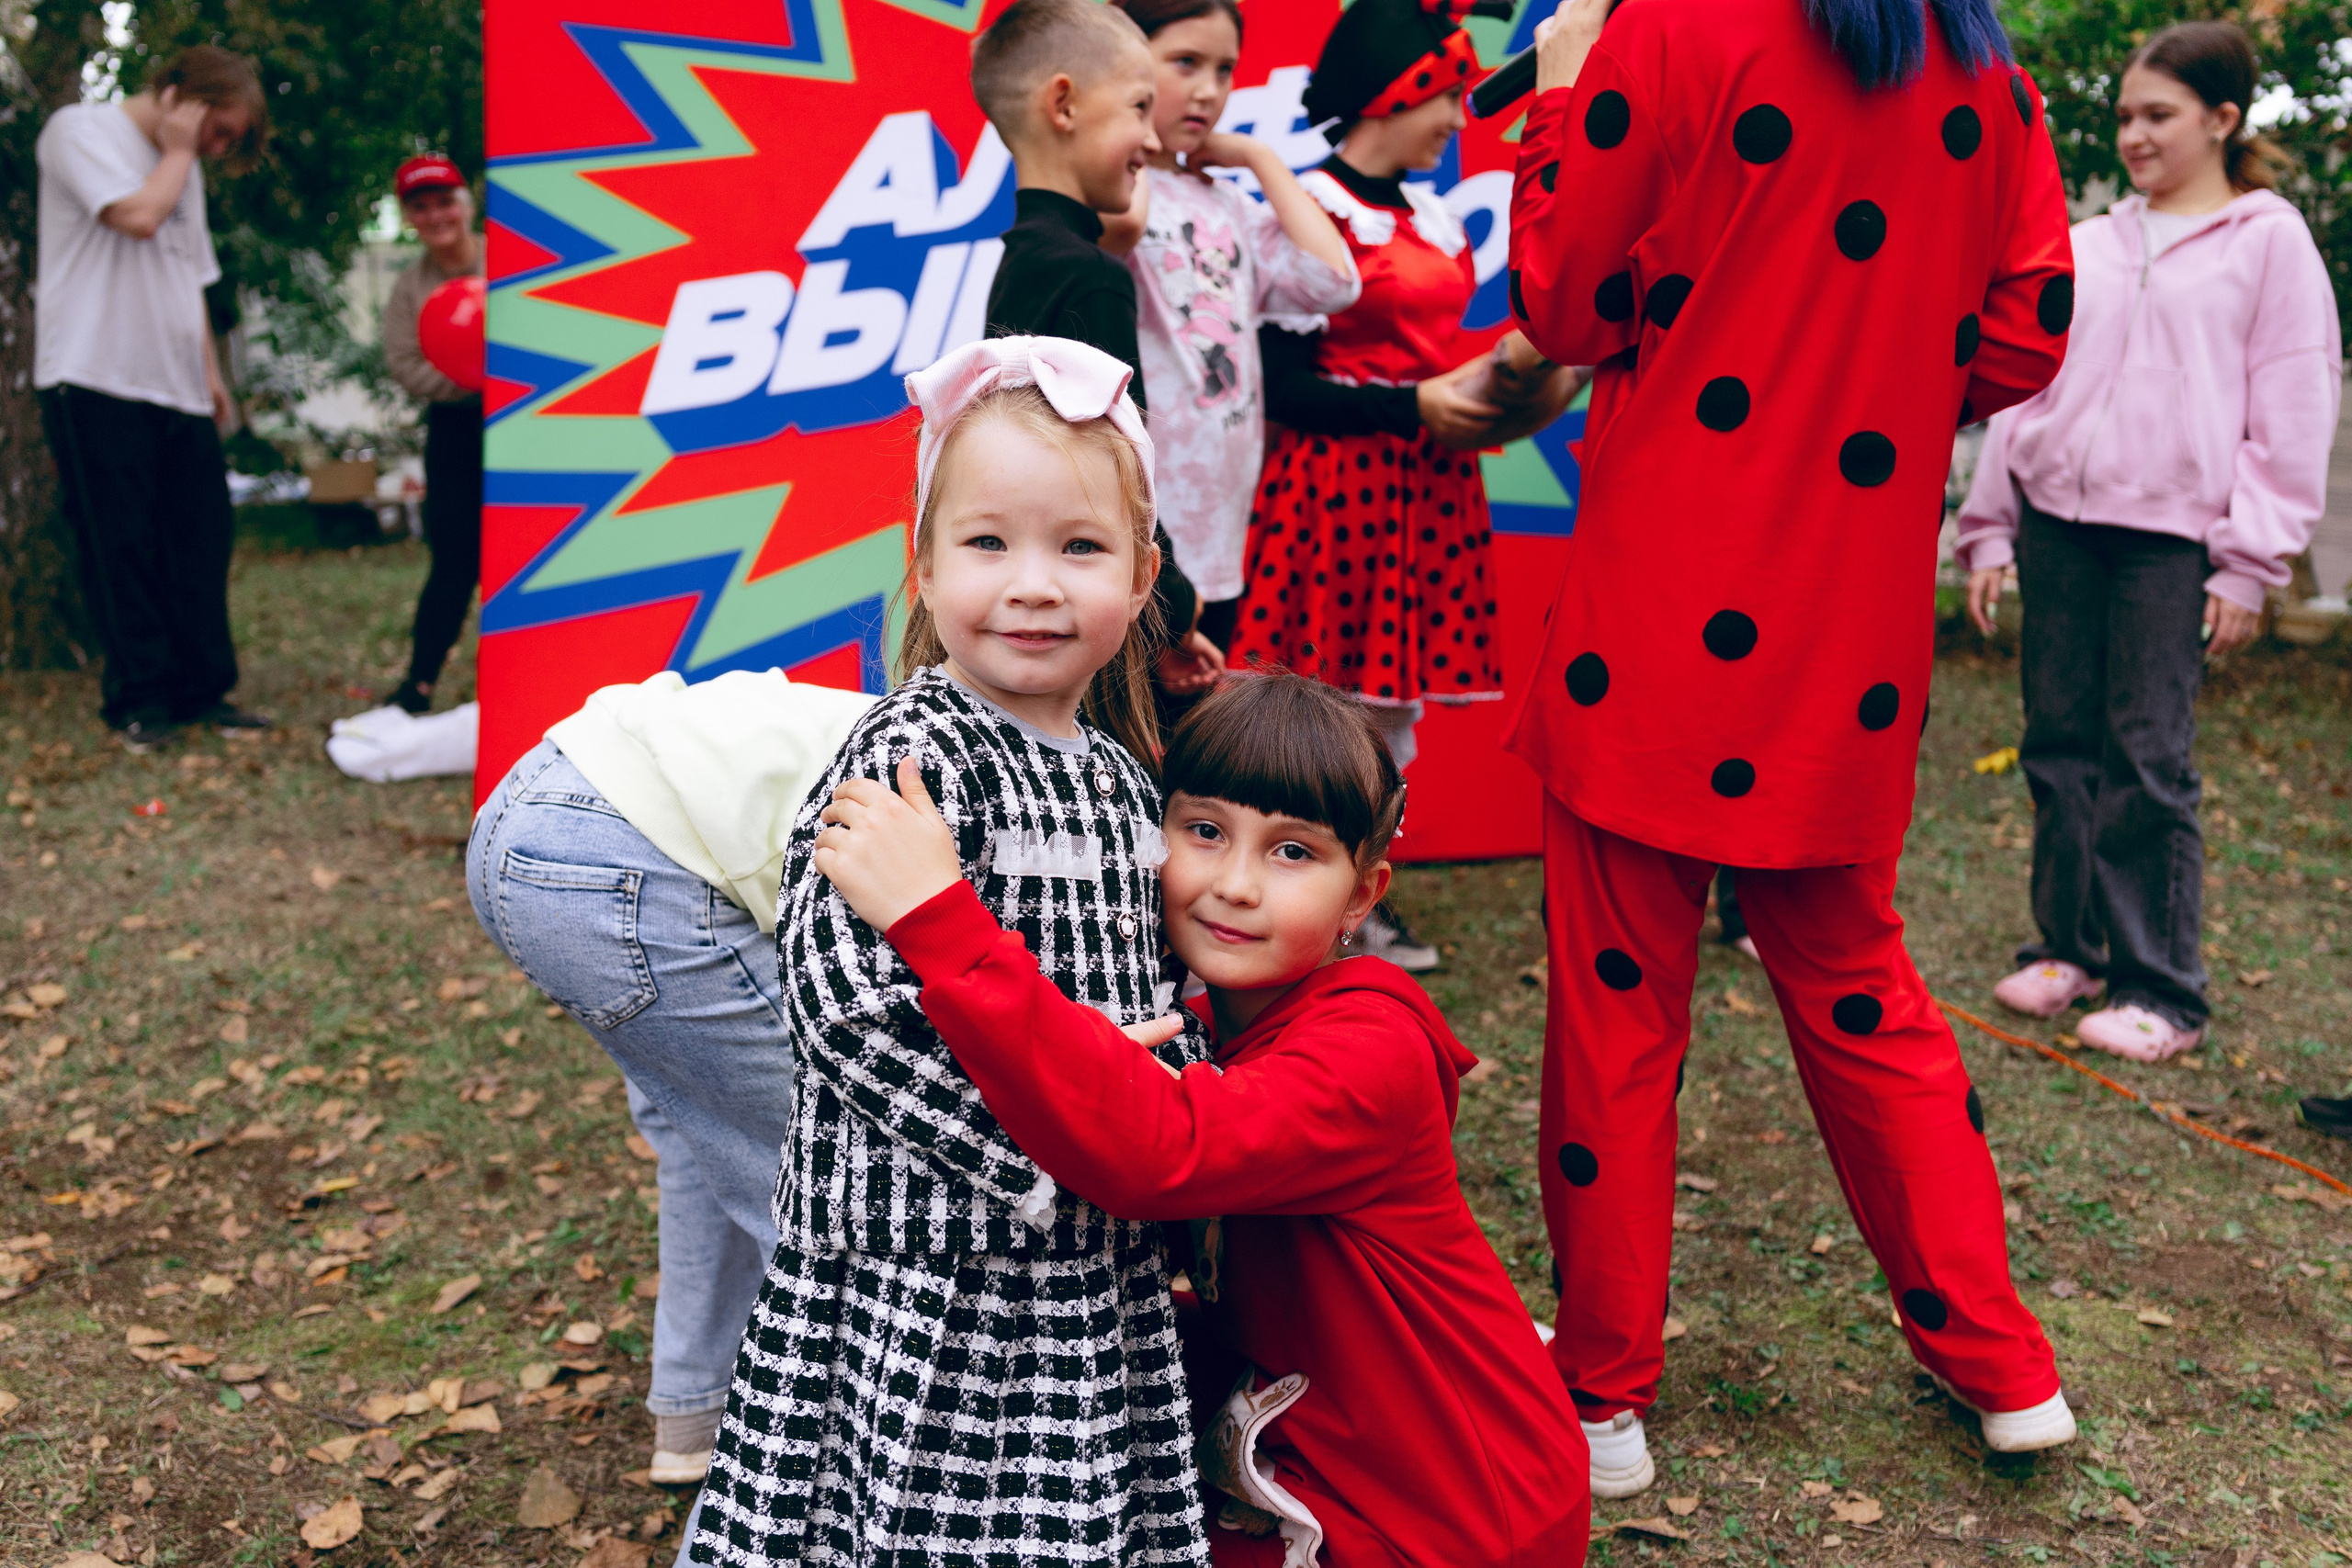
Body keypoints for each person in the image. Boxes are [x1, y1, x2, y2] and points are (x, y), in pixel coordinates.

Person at [1505, 0, 2081, 1494]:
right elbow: (2027, 326)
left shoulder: (1668, 27)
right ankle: (2004, 1367)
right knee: (1864, 996)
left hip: (1659, 595)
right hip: (1847, 617)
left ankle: (1604, 1398)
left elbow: (1561, 302)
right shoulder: (1980, 65)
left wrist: (1564, 95)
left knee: (1621, 1016)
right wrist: (1854, 386)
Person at [808, 671, 1591, 1567]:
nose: (1236, 884)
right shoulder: (1204, 1027)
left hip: (1456, 1508)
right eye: (1206, 832)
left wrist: (941, 923)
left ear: (1363, 897)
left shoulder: (1372, 1049)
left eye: (1292, 852)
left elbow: (1164, 1149)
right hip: (1327, 1447)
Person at [686, 336, 1210, 1568]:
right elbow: (845, 1001)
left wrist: (1163, 1108)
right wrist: (1042, 1129)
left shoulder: (1123, 778)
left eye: (1078, 548)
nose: (1034, 584)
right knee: (926, 1512)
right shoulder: (913, 751)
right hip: (930, 1243)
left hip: (1081, 1243)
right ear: (923, 567)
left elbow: (1158, 988)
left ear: (1140, 581)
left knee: (1064, 1501)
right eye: (989, 544)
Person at [1956, 20, 2342, 1063]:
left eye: (2156, 115)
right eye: (2123, 115)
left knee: (2148, 761)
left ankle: (2159, 990)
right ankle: (2066, 950)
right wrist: (1985, 528)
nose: (2132, 135)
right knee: (2057, 743)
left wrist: (2253, 560)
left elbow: (2292, 408)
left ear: (2221, 120)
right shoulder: (2085, 244)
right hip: (2057, 530)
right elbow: (2026, 392)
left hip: (2171, 544)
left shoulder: (2268, 243)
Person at [468, 669, 874, 1485]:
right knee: (830, 1180)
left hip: (532, 808)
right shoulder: (1021, 792)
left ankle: (698, 1415)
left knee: (710, 1127)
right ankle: (818, 1483)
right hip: (626, 857)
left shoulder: (916, 720)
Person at [974, 0, 1226, 700]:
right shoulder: (1089, 276)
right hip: (1090, 636)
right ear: (1065, 104)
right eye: (1140, 108)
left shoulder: (1028, 262)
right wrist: (1172, 605)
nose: (1151, 138)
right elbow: (1119, 477)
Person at [34, 45, 272, 750]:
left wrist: (212, 375)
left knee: (201, 538)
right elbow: (137, 216)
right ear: (177, 95)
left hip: (177, 386)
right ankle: (139, 701)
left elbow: (189, 273)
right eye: (217, 129)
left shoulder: (185, 169)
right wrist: (175, 150)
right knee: (122, 544)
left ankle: (205, 689)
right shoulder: (77, 131)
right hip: (95, 376)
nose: (216, 147)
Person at [1105, 0, 1360, 655]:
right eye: (1185, 63)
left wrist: (1255, 157)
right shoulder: (1109, 191)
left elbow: (1336, 282)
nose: (1208, 90)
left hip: (1221, 534)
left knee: (1192, 732)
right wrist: (1131, 130)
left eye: (1225, 70)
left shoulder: (1228, 205)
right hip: (1139, 524)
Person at [381, 154, 488, 716]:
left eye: (444, 201)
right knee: (453, 560)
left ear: (466, 204)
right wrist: (477, 382)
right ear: (410, 219)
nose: (436, 215)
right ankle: (417, 686)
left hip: (527, 426)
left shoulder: (511, 256)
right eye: (420, 207)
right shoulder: (410, 288)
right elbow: (405, 365)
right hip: (456, 432)